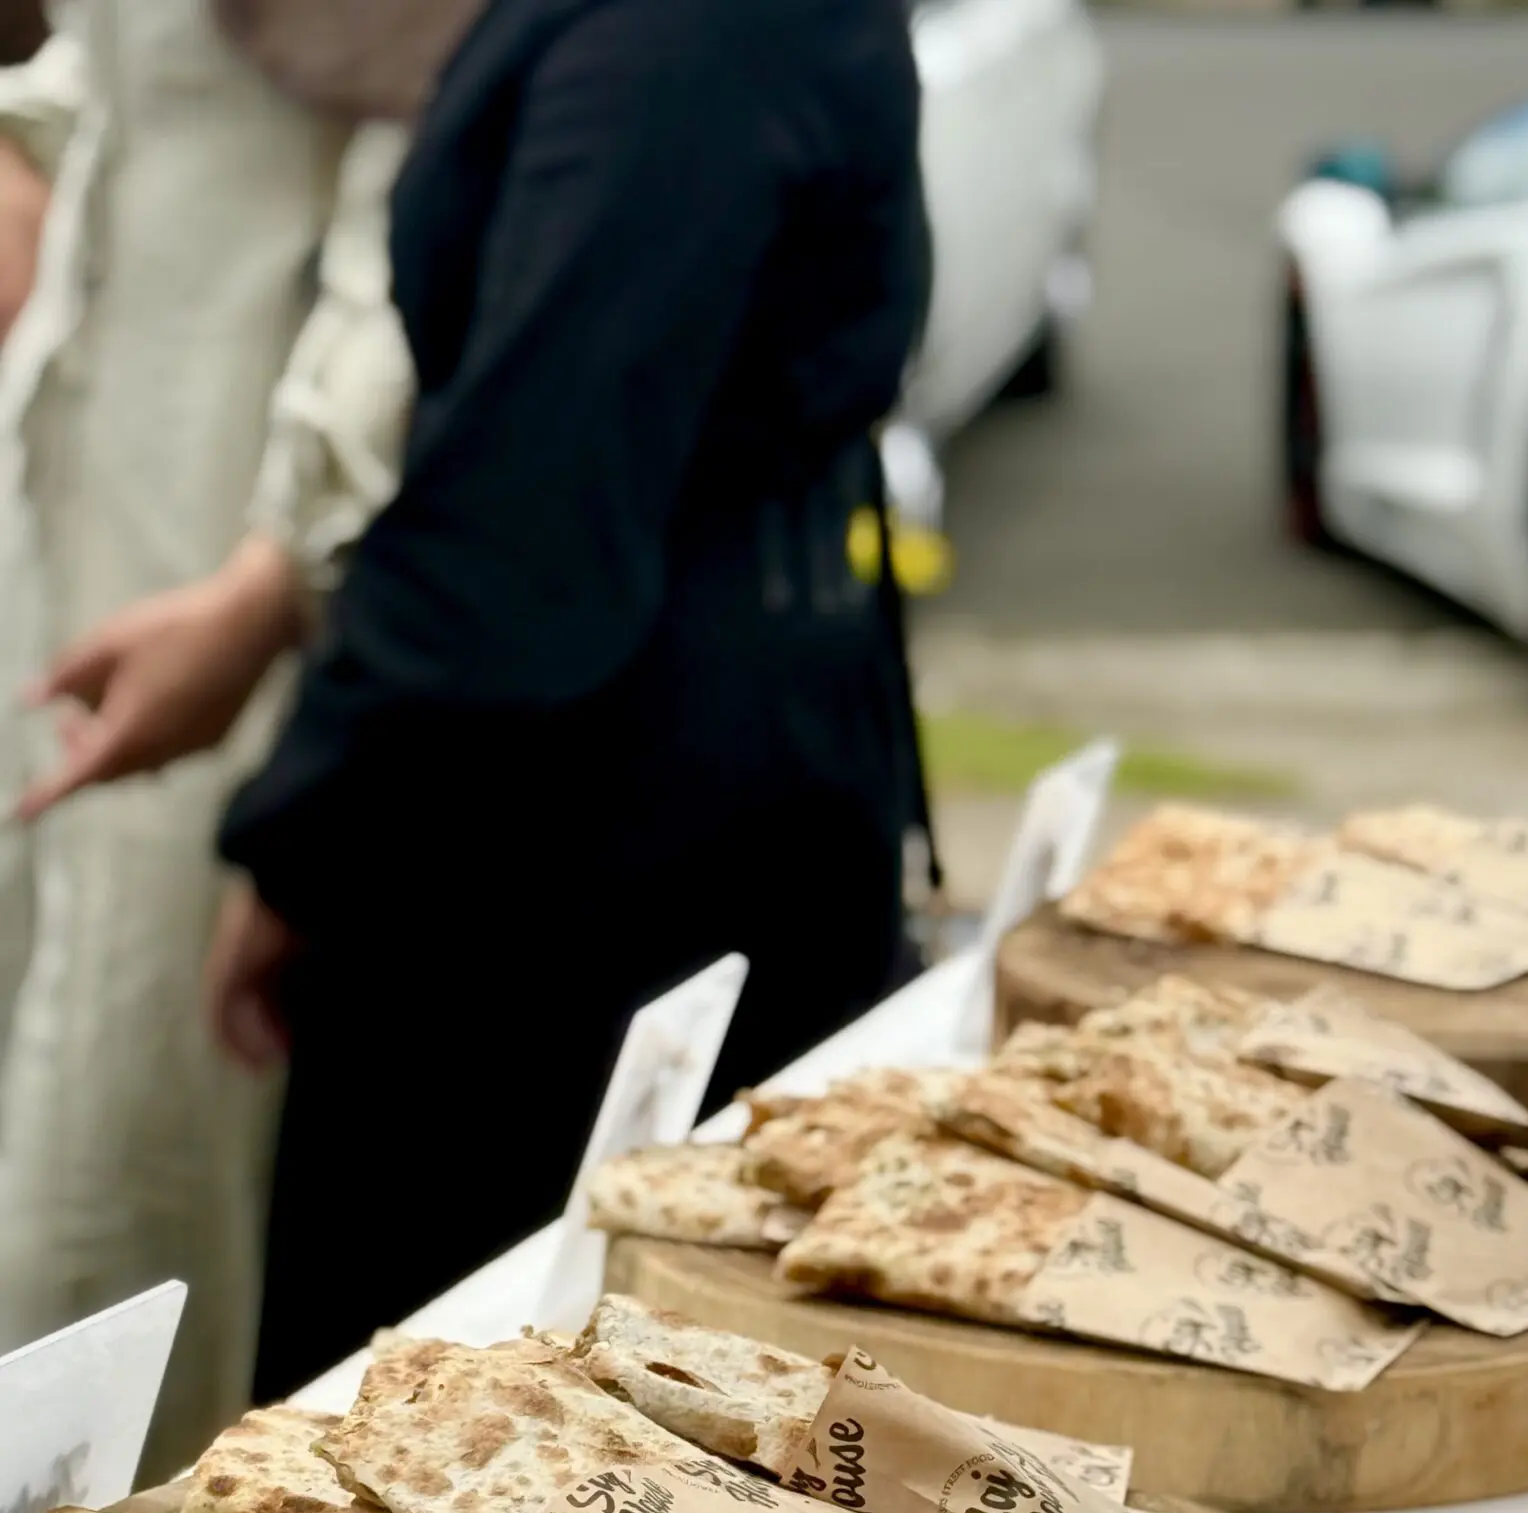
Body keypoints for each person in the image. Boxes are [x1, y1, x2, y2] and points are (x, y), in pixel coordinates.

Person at [27, 0, 930, 1401]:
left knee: (482, 1436)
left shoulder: (679, 43)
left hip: (593, 844)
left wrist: (303, 844)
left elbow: (525, 518)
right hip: (670, 755)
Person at [0, 2, 472, 1471]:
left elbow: (407, 233)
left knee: (128, 1147)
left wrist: (275, 568)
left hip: (225, 591)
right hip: (52, 515)